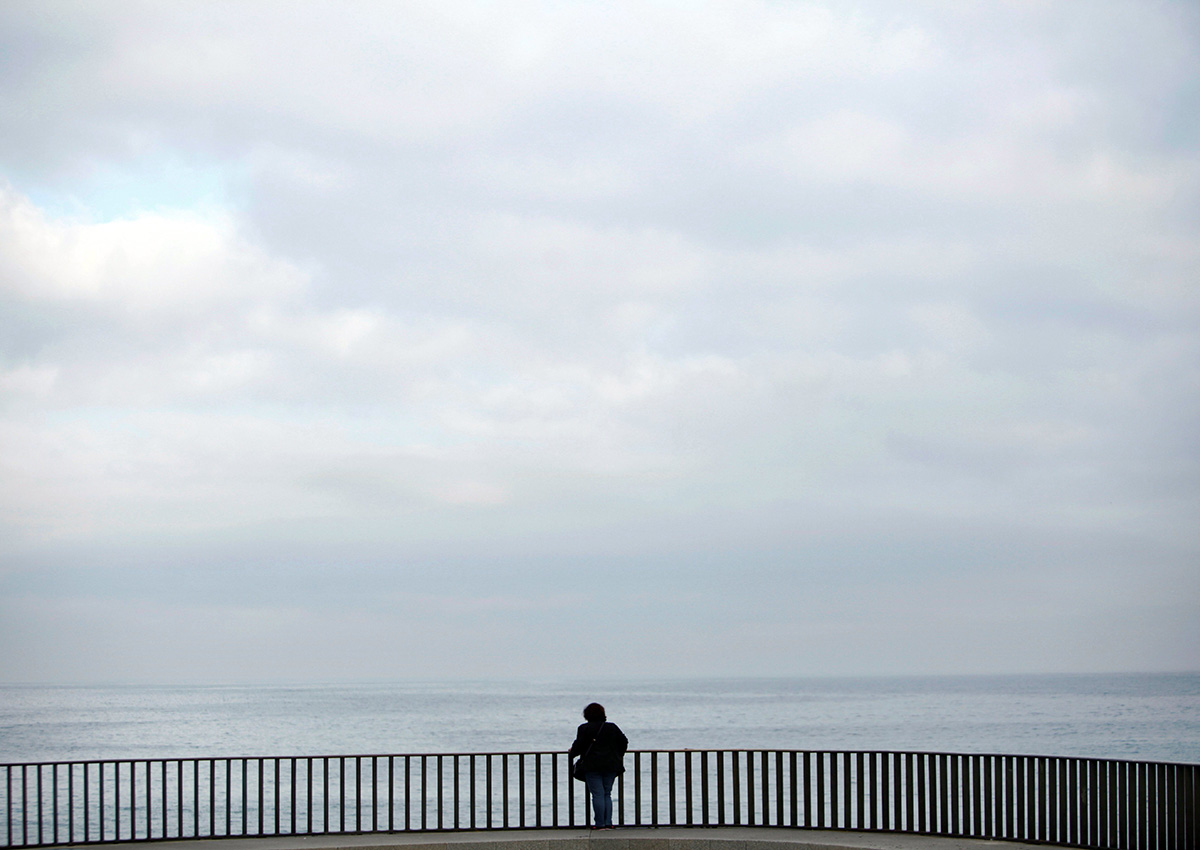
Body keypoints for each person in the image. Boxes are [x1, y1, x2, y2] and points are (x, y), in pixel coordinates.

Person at [569, 702, 628, 829]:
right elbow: (624, 742)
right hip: (611, 765)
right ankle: (608, 822)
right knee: (607, 793)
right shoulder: (612, 727)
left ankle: (599, 823)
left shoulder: (584, 728)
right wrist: (618, 755)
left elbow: (578, 746)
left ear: (587, 715)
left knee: (597, 794)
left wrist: (572, 753)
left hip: (592, 766)